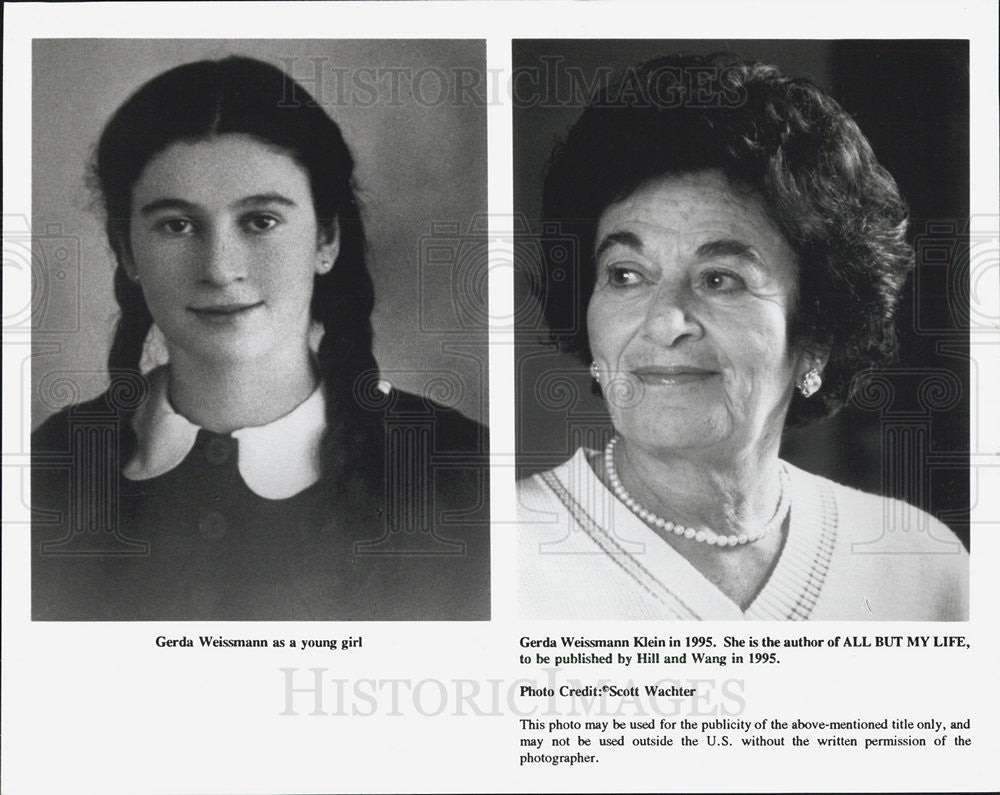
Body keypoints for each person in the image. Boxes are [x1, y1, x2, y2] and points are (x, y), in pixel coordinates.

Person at [32, 56, 489, 621]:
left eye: (261, 221)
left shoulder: (463, 473)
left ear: (325, 239)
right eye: (176, 225)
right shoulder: (44, 469)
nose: (221, 268)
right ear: (127, 251)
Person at [517, 52, 968, 621]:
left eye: (720, 280)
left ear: (818, 332)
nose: (664, 321)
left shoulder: (921, 567)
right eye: (625, 275)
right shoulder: (504, 550)